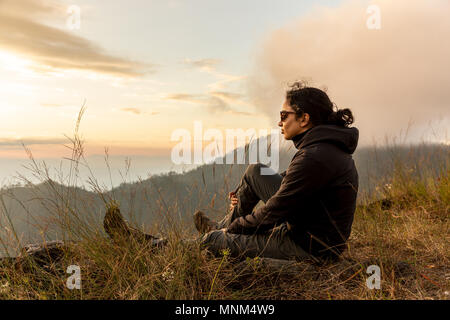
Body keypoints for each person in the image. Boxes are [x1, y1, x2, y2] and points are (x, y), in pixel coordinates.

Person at [104, 81, 359, 262]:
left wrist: (234, 229)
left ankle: (149, 247)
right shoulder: (321, 148)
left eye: (284, 115)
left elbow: (274, 213)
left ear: (304, 119)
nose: (279, 121)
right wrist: (241, 205)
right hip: (308, 227)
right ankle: (221, 226)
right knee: (255, 171)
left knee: (212, 242)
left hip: (311, 247)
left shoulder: (315, 156)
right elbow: (293, 185)